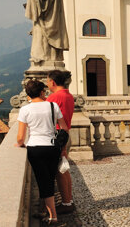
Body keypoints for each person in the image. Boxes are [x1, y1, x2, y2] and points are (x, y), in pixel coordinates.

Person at [15, 79, 69, 224]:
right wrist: (63, 148)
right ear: (41, 92)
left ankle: (53, 216)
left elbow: (20, 137)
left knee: (42, 181)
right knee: (49, 180)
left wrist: (19, 144)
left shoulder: (25, 110)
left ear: (28, 94)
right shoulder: (53, 106)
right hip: (52, 147)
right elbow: (63, 128)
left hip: (35, 148)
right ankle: (49, 213)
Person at [47, 70, 75, 215]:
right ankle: (68, 200)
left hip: (58, 135)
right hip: (66, 133)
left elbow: (44, 115)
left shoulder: (54, 97)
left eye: (47, 81)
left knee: (60, 171)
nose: (47, 83)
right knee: (64, 170)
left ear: (52, 82)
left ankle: (66, 203)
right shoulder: (68, 95)